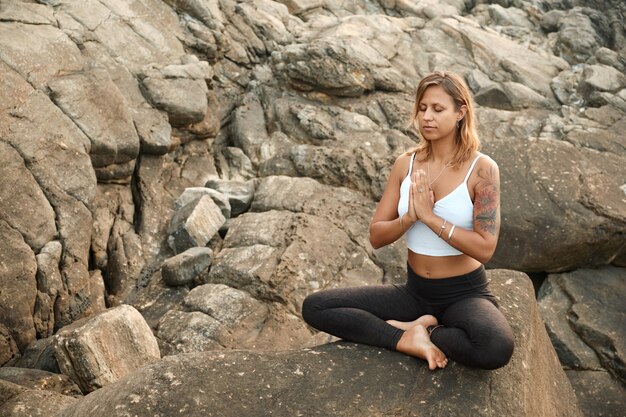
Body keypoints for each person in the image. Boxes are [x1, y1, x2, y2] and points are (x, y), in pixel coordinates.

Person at [301, 71, 514, 370]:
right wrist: (409, 218)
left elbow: (485, 248)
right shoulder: (406, 163)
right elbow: (377, 237)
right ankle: (405, 337)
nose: (427, 116)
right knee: (316, 306)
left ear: (461, 112)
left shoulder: (482, 169)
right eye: (423, 108)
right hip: (415, 293)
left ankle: (427, 330)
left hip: (464, 293)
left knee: (494, 347)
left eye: (438, 109)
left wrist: (429, 218)